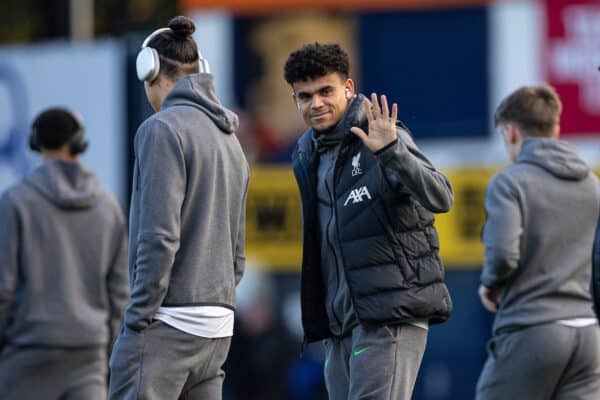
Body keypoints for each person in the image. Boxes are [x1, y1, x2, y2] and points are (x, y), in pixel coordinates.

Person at [284, 42, 454, 400]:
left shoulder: (380, 133)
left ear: (348, 88)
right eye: (305, 96)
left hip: (388, 316)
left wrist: (393, 153)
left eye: (326, 91)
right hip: (340, 328)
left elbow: (442, 196)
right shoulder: (306, 154)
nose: (316, 103)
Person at [108, 16, 249, 400]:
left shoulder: (161, 129)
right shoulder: (230, 139)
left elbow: (159, 236)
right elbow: (237, 253)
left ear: (149, 70)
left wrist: (138, 319)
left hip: (166, 324)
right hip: (217, 329)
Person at [476, 84, 600, 399]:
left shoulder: (509, 183)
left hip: (533, 330)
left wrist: (490, 283)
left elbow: (503, 254)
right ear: (555, 128)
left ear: (511, 132)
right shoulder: (592, 186)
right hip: (588, 335)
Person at [0, 107, 129, 399]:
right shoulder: (108, 207)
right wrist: (104, 348)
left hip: (26, 355)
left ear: (35, 143)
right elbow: (121, 294)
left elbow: (3, 290)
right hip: (88, 358)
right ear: (79, 143)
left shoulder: (15, 203)